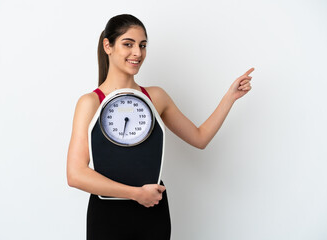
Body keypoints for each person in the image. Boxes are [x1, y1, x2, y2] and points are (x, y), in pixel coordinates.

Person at [67, 14, 254, 240]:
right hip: (108, 214)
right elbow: (75, 174)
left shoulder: (156, 97)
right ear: (108, 45)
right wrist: (136, 194)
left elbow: (200, 138)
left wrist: (229, 98)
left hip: (152, 211)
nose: (138, 52)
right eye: (128, 44)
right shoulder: (90, 102)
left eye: (143, 45)